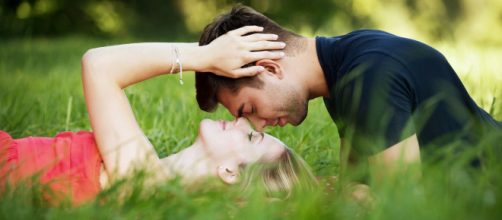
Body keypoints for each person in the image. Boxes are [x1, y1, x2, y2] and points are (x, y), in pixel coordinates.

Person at [0, 26, 317, 205]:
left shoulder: (146, 180)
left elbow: (99, 65)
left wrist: (204, 56)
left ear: (230, 172)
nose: (240, 121)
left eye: (251, 137)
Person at [195, 6, 502, 184]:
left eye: (248, 108)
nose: (257, 126)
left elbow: (401, 205)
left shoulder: (368, 74)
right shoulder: (345, 69)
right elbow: (355, 187)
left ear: (270, 68)